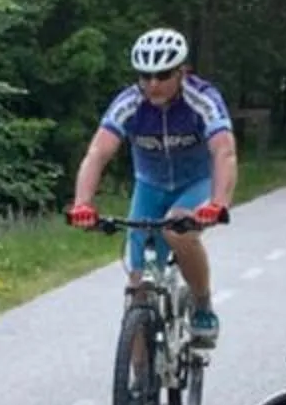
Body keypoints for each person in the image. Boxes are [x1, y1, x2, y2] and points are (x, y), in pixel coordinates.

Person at [67, 27, 237, 346]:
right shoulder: (129, 103)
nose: (153, 84)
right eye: (145, 76)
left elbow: (224, 151)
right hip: (150, 186)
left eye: (162, 75)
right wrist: (82, 204)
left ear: (182, 72)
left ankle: (202, 303)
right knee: (137, 292)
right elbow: (97, 153)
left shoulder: (202, 98)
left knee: (177, 229)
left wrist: (218, 202)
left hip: (196, 183)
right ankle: (137, 387)